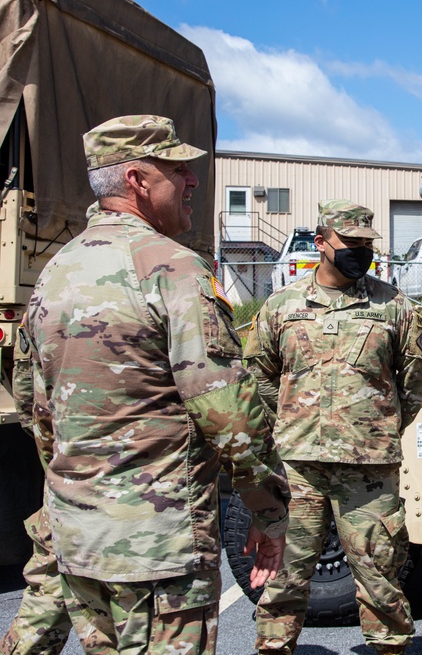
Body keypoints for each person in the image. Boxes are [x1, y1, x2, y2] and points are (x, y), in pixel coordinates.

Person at [23, 115, 290, 654]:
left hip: (80, 538)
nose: (192, 181)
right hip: (159, 549)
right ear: (138, 182)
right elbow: (227, 412)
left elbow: (40, 409)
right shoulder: (173, 269)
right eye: (177, 169)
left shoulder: (57, 271)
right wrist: (269, 508)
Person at [246, 199, 422, 655]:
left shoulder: (395, 306)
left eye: (367, 244)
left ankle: (389, 648)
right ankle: (274, 649)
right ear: (321, 243)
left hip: (368, 469)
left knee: (379, 572)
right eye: (350, 243)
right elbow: (259, 374)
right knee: (286, 575)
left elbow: (415, 378)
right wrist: (293, 421)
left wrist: (377, 425)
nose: (361, 251)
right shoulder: (282, 305)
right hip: (298, 466)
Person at [0, 315, 72, 655]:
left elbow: (27, 398)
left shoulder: (47, 293)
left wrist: (53, 455)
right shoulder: (163, 278)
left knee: (49, 592)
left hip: (67, 474)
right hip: (145, 484)